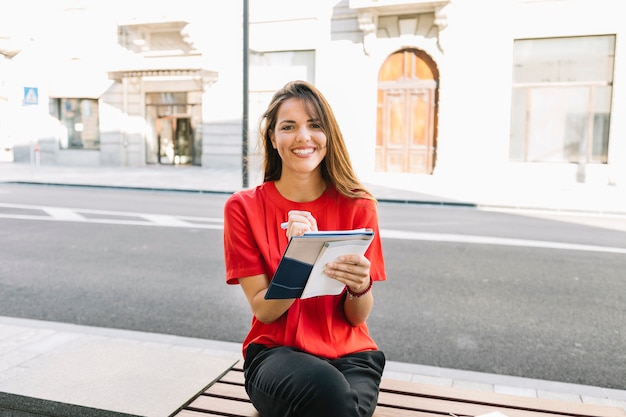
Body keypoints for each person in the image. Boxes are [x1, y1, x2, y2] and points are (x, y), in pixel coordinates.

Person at [223, 80, 386, 417]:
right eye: (289, 126)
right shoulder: (243, 208)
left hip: (352, 355)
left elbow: (357, 317)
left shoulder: (359, 205)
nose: (303, 136)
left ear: (329, 135)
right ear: (273, 137)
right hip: (275, 354)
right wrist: (301, 255)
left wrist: (359, 286)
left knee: (340, 406)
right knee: (331, 395)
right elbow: (264, 311)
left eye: (314, 125)